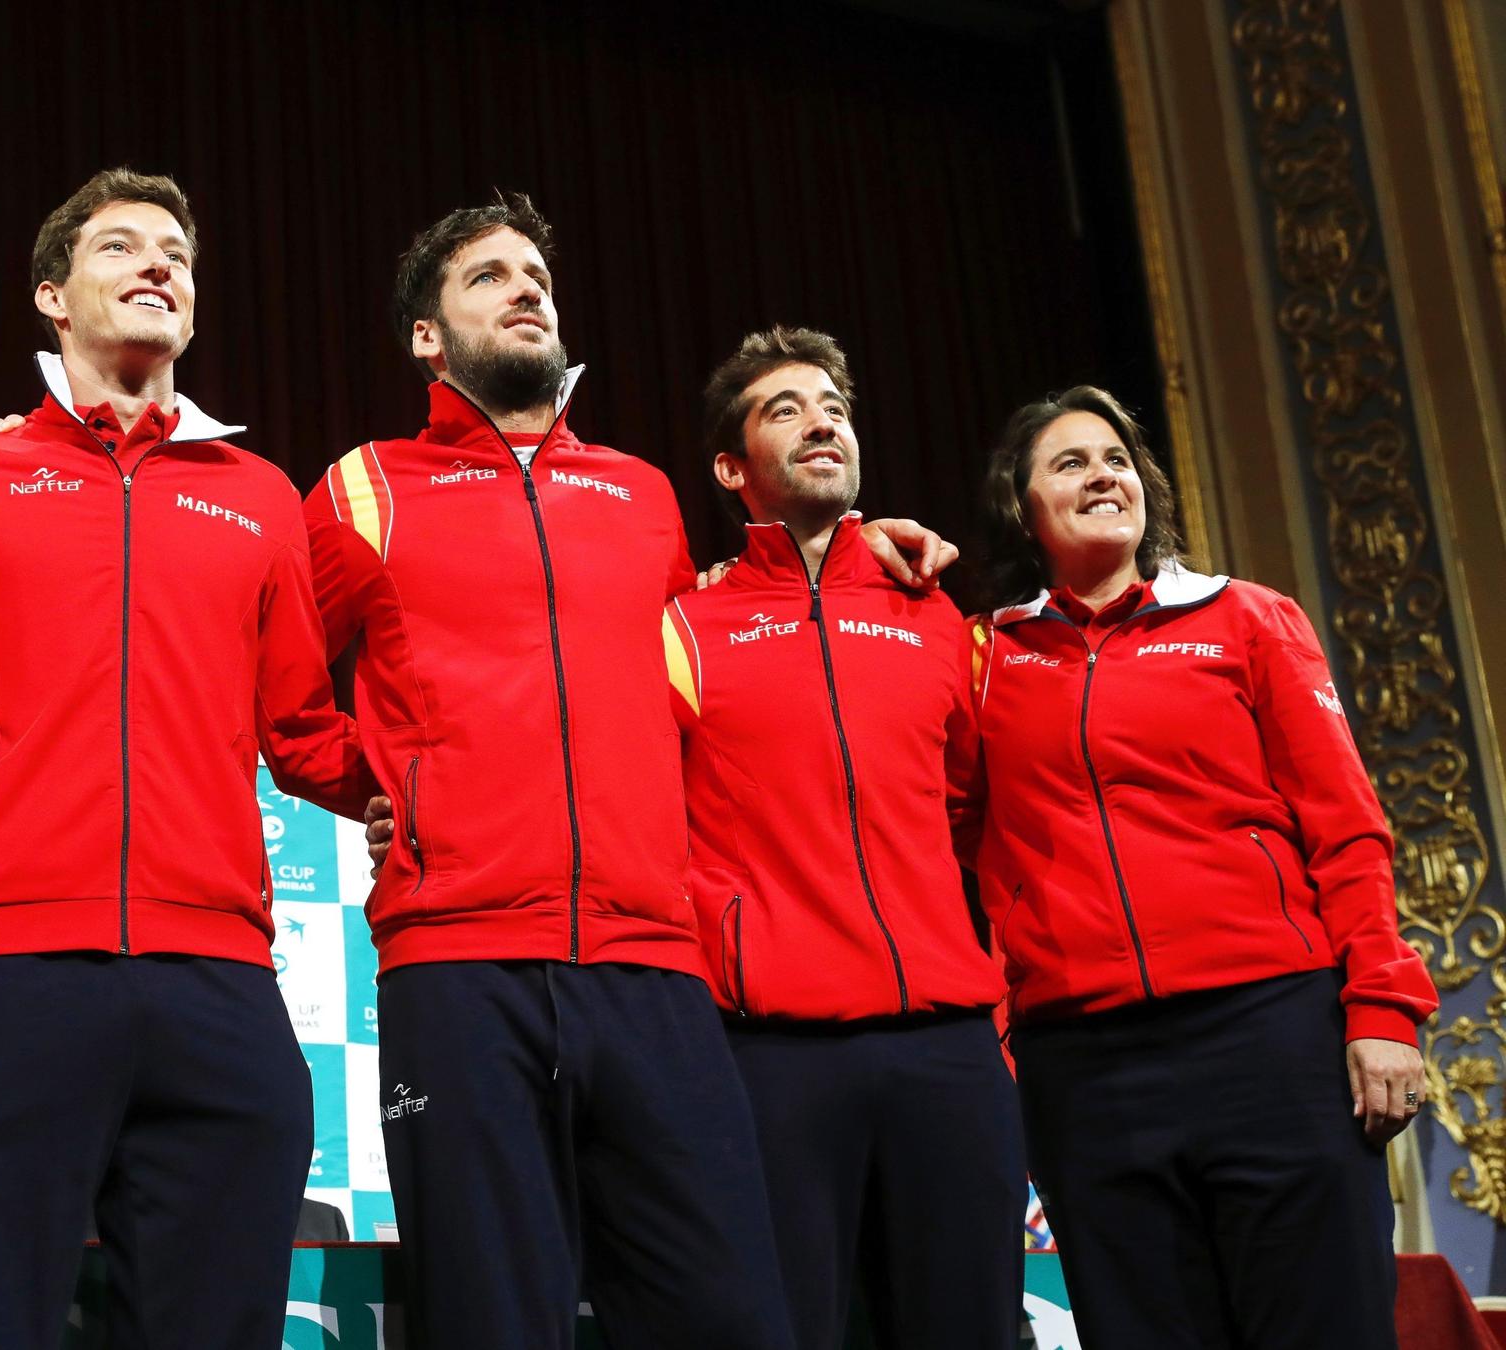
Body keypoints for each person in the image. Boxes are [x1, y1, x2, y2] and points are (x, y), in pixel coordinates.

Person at [309, 194, 950, 1350]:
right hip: (461, 968)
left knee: (730, 1320)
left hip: (655, 968)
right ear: (426, 335)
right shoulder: (362, 488)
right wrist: (392, 785)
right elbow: (275, 692)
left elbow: (732, 652)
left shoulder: (642, 493)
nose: (524, 290)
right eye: (488, 277)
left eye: (536, 276)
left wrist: (860, 552)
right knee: (496, 1324)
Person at [0, 168, 376, 1350]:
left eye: (176, 252)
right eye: (120, 247)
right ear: (51, 296)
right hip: (4, 969)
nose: (158, 264)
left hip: (216, 982)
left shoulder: (262, 495)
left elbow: (305, 726)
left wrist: (426, 786)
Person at [970, 385, 1437, 1349]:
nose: (1104, 474)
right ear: (1022, 507)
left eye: (1117, 458)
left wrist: (1384, 1007)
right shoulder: (982, 658)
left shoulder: (1248, 619)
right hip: (1086, 1070)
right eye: (1070, 463)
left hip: (1270, 1038)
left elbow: (1347, 829)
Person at [664, 326, 1023, 1349]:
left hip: (947, 1047)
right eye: (784, 409)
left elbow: (974, 813)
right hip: (768, 1055)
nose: (820, 419)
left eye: (832, 404)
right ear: (732, 469)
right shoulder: (683, 624)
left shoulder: (936, 617)